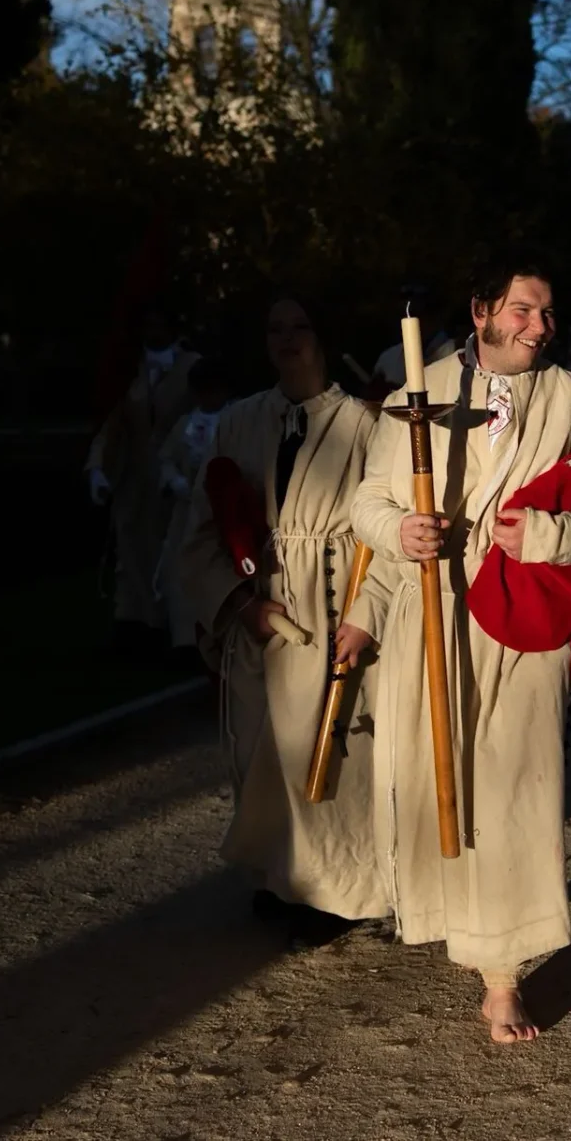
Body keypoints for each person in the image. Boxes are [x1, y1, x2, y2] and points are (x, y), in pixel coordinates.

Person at [340, 254, 571, 1044]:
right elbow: (367, 501)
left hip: (522, 619)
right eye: (523, 311)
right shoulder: (419, 390)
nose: (540, 327)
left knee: (514, 793)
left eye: (545, 314)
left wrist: (551, 534)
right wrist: (400, 531)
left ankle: (503, 976)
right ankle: (460, 924)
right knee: (444, 784)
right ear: (481, 313)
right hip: (429, 617)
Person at [174, 295, 385, 940]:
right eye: (275, 328)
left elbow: (387, 529)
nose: (287, 339)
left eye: (301, 326)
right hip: (259, 604)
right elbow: (201, 527)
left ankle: (330, 888)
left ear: (325, 337)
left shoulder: (364, 423)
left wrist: (366, 610)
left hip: (332, 603)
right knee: (260, 742)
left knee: (328, 750)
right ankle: (276, 874)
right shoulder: (237, 421)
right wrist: (239, 604)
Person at [87, 305, 199, 651]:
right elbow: (113, 423)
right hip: (134, 476)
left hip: (175, 471)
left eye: (158, 322)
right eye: (147, 323)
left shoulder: (191, 366)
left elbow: (202, 414)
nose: (153, 330)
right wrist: (97, 468)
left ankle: (175, 626)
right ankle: (133, 620)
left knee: (173, 549)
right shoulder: (128, 370)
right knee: (132, 549)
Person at [156, 357, 232, 655]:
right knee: (183, 571)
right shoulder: (186, 424)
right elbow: (166, 459)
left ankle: (222, 635)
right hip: (189, 511)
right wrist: (174, 480)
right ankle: (187, 638)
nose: (210, 397)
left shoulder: (236, 418)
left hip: (224, 512)